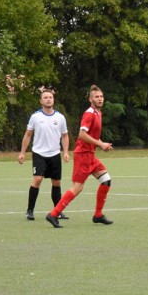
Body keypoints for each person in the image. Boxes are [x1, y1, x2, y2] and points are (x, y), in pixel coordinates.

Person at [45, 85, 114, 228]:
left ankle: (98, 215)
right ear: (90, 99)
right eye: (96, 97)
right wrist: (100, 145)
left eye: (101, 96)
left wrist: (102, 144)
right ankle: (53, 214)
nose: (100, 99)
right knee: (77, 187)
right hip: (83, 155)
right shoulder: (89, 113)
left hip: (90, 155)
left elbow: (92, 136)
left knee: (106, 180)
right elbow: (82, 135)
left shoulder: (98, 113)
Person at [18, 89, 70, 221]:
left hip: (54, 154)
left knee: (56, 182)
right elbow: (28, 135)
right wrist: (22, 153)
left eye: (50, 97)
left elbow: (65, 135)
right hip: (39, 153)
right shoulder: (35, 117)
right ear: (41, 101)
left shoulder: (60, 117)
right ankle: (30, 210)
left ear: (53, 100)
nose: (48, 99)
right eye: (45, 97)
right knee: (37, 179)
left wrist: (65, 152)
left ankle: (57, 211)